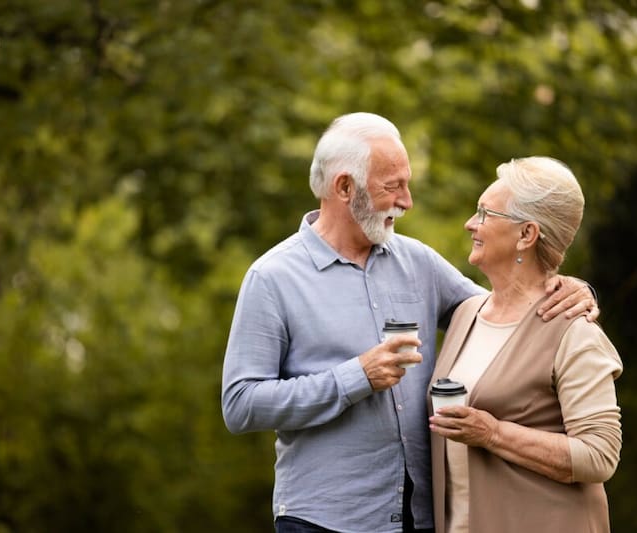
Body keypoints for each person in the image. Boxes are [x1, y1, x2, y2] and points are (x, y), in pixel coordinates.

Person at [221, 113, 598, 533]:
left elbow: (503, 312)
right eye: (393, 186)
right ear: (345, 188)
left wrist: (569, 287)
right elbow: (240, 403)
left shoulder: (418, 262)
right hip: (324, 521)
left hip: (420, 519)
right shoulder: (272, 278)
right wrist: (355, 377)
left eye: (407, 183)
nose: (407, 201)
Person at [427, 156, 622, 533]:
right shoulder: (467, 313)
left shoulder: (574, 331)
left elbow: (600, 455)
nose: (470, 223)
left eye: (485, 213)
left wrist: (494, 433)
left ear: (526, 234)